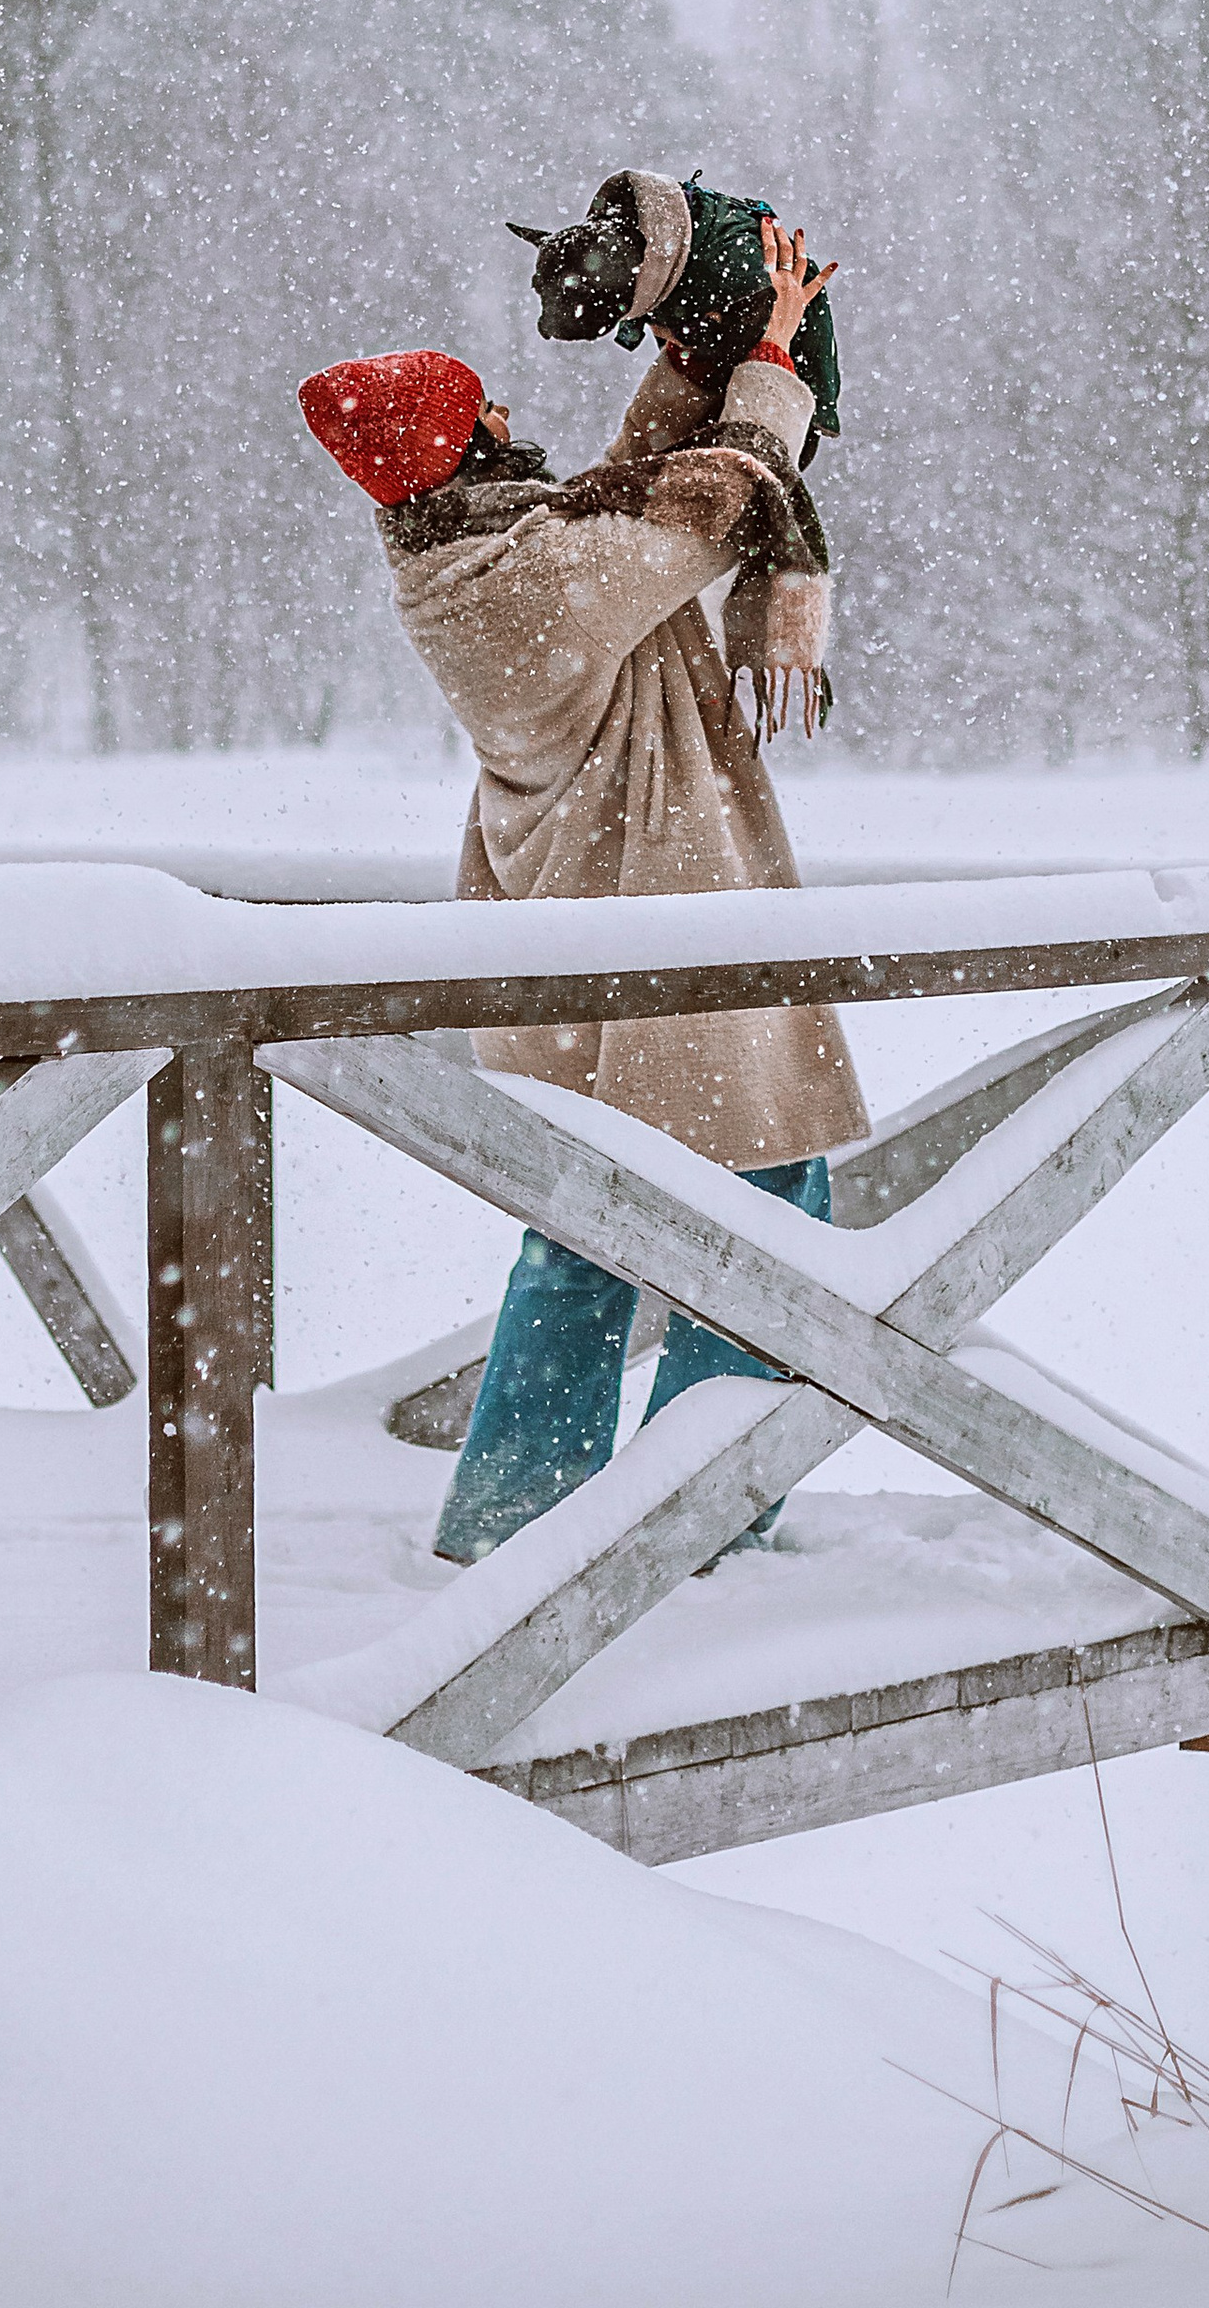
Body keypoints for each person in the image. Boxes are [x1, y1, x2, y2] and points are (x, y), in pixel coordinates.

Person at [297, 218, 865, 1561]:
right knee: (763, 1222)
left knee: (589, 1237)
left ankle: (519, 1520)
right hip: (661, 941)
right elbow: (703, 512)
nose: (506, 412)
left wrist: (694, 349)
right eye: (479, 409)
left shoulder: (480, 553)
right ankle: (697, 1519)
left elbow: (622, 485)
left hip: (595, 951)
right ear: (456, 446)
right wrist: (771, 364)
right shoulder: (528, 582)